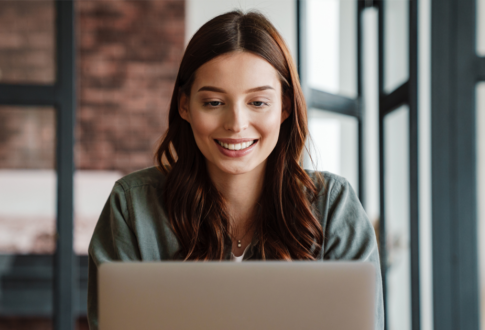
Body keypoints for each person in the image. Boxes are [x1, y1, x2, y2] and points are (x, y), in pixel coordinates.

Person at [87, 10, 384, 330]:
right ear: (184, 106)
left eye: (258, 103)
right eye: (214, 102)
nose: (236, 124)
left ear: (284, 106)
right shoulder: (132, 207)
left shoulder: (332, 206)